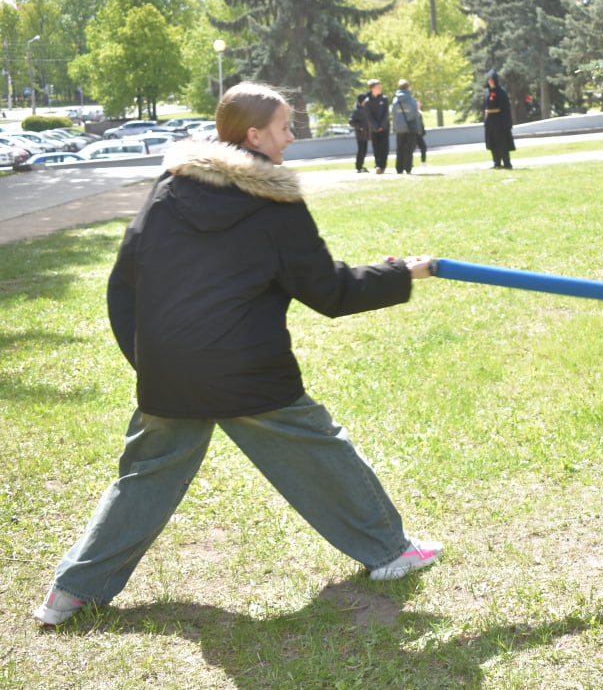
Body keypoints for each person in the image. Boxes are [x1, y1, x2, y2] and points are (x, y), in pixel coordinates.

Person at [33, 82, 442, 627]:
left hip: (171, 370)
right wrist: (401, 273)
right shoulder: (276, 202)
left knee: (146, 475)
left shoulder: (169, 189)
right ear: (253, 135)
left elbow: (123, 283)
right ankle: (391, 551)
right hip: (247, 372)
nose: (291, 138)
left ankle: (69, 594)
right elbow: (330, 292)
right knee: (321, 448)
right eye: (284, 128)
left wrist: (153, 361)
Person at [391, 79, 425, 175]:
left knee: (399, 148)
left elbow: (394, 115)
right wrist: (419, 129)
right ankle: (408, 167)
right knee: (409, 148)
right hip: (410, 127)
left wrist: (395, 127)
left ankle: (399, 168)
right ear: (408, 88)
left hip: (399, 128)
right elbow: (415, 115)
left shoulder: (395, 100)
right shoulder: (411, 100)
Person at [483, 69, 514, 169]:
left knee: (502, 142)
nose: (490, 82)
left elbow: (505, 108)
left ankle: (507, 163)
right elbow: (485, 107)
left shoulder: (501, 92)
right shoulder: (487, 92)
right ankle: (496, 163)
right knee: (493, 143)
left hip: (500, 121)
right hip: (490, 121)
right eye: (489, 80)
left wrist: (506, 123)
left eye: (492, 80)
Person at [360, 79, 391, 174]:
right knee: (376, 147)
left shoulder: (384, 99)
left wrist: (381, 125)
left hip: (384, 127)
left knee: (384, 147)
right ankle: (378, 165)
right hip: (374, 129)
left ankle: (383, 165)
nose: (380, 89)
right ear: (372, 88)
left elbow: (386, 113)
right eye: (378, 87)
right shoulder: (367, 102)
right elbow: (369, 116)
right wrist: (376, 126)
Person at [349, 92, 372, 172]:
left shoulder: (366, 108)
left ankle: (361, 166)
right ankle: (359, 167)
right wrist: (360, 127)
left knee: (364, 151)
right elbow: (351, 121)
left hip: (366, 134)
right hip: (361, 135)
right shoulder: (357, 110)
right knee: (361, 151)